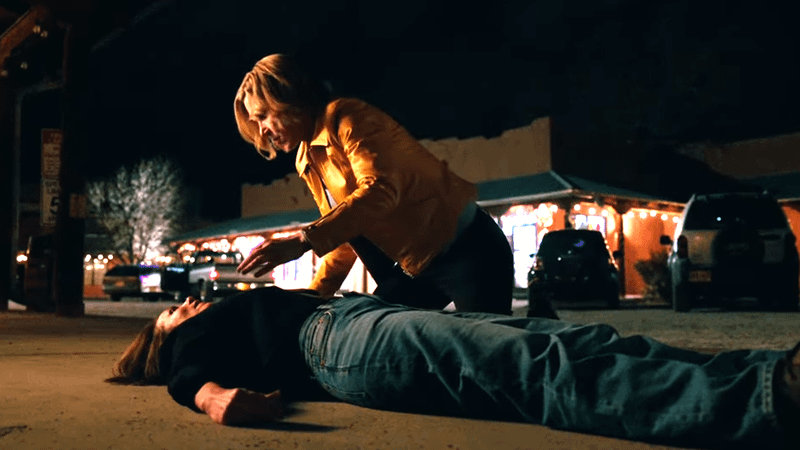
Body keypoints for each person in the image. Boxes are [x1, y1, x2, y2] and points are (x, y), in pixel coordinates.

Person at [108, 288, 800, 450]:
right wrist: (210, 397)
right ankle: (769, 401)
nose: (185, 304)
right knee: (540, 365)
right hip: (341, 346)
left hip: (360, 319)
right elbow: (185, 376)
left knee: (585, 336)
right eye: (172, 310)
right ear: (156, 337)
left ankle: (767, 370)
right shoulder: (181, 344)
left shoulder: (213, 315)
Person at [232, 53, 558, 318]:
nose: (262, 132)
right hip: (415, 270)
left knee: (493, 354)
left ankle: (560, 340)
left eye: (263, 116)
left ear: (289, 98)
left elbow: (380, 191)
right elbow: (344, 233)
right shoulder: (306, 158)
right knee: (377, 328)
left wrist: (302, 242)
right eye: (255, 123)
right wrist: (314, 296)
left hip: (469, 250)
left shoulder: (347, 117)